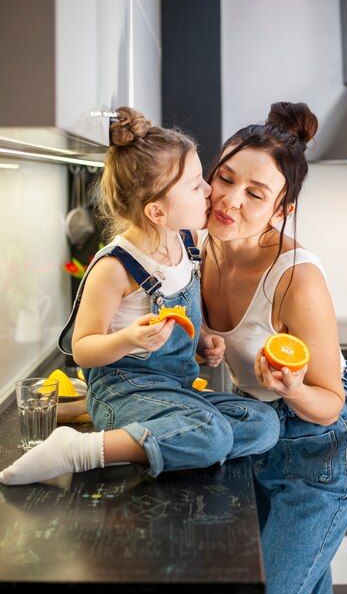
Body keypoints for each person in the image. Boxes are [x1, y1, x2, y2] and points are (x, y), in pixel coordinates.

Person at [0, 106, 279, 486]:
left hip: (173, 393)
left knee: (263, 424)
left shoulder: (187, 244)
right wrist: (128, 339)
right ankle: (77, 451)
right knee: (211, 433)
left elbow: (178, 325)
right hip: (122, 392)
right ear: (157, 212)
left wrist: (200, 343)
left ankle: (162, 443)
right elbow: (83, 349)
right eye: (196, 185)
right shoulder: (115, 268)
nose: (210, 190)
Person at [200, 102, 347, 594]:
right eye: (224, 178)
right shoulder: (202, 243)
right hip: (259, 437)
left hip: (322, 449)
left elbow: (327, 403)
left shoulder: (297, 278)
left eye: (254, 194)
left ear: (281, 210)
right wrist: (205, 337)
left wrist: (293, 386)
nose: (229, 200)